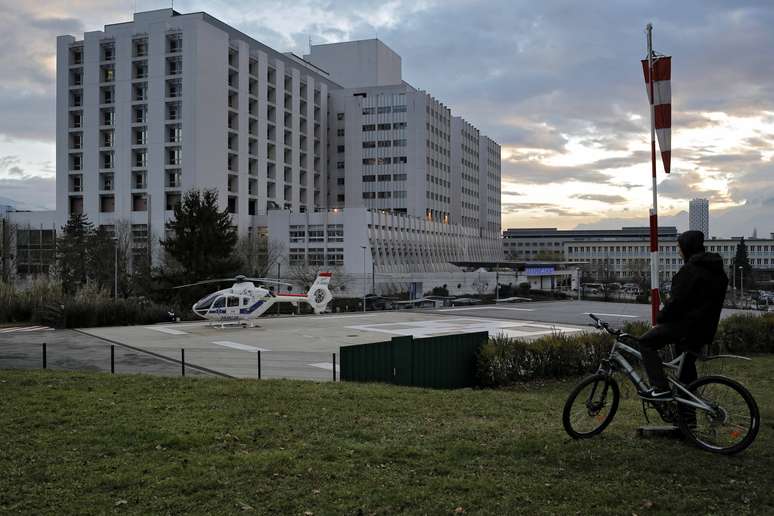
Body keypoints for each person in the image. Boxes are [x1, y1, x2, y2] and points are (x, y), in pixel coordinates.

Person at [639, 230, 728, 401]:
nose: (678, 252)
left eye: (679, 247)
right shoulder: (716, 271)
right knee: (686, 376)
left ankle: (660, 387)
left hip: (687, 327)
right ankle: (687, 423)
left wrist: (660, 318)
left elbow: (676, 303)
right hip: (705, 329)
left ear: (687, 247)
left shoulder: (691, 271)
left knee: (645, 342)